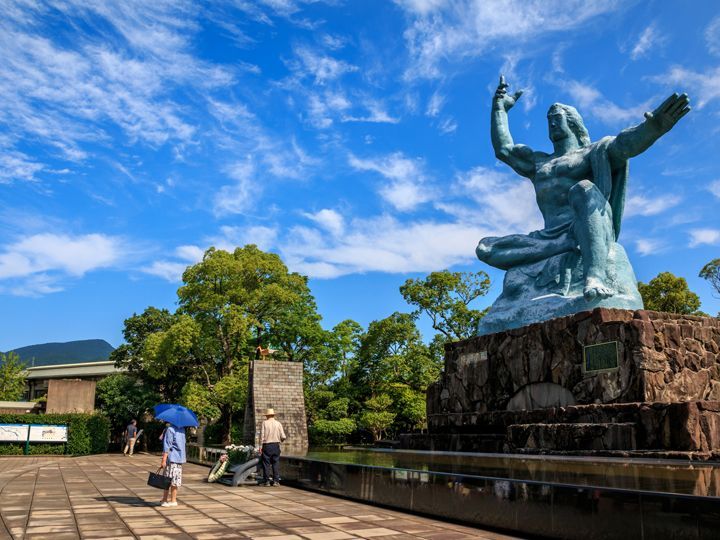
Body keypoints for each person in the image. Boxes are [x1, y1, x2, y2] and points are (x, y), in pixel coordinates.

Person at [477, 76, 690, 301]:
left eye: (556, 118)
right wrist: (499, 110)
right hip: (549, 237)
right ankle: (561, 245)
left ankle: (595, 275)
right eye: (548, 119)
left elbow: (624, 144)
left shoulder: (592, 153)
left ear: (572, 122)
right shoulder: (538, 163)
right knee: (486, 249)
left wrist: (652, 128)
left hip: (586, 224)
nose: (551, 123)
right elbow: (505, 150)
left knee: (584, 189)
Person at [159, 423, 186, 507]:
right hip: (180, 458)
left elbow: (167, 445)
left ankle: (164, 500)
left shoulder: (170, 429)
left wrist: (163, 459)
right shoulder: (182, 429)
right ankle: (173, 500)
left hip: (171, 458)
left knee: (167, 479)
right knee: (175, 479)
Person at [259, 408, 286, 486]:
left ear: (267, 416)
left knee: (266, 463)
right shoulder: (278, 423)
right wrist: (280, 441)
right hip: (276, 445)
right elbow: (283, 436)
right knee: (275, 463)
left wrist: (260, 446)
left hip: (267, 445)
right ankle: (276, 481)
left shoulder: (264, 423)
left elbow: (262, 436)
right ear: (273, 415)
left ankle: (266, 481)